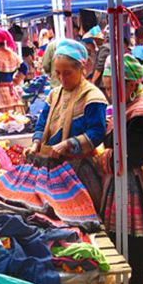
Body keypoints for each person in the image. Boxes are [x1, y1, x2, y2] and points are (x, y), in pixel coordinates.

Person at [99, 54, 143, 284]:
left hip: (133, 184)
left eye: (112, 88)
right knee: (123, 234)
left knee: (135, 236)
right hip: (121, 180)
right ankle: (136, 280)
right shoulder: (127, 106)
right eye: (106, 89)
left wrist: (106, 156)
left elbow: (134, 155)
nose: (108, 94)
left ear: (130, 83)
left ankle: (137, 283)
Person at [25, 39, 108, 211]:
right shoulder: (54, 95)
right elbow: (42, 122)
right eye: (58, 73)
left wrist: (68, 144)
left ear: (82, 69)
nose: (62, 78)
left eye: (68, 73)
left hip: (80, 170)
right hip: (52, 166)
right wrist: (35, 144)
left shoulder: (92, 97)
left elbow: (97, 131)